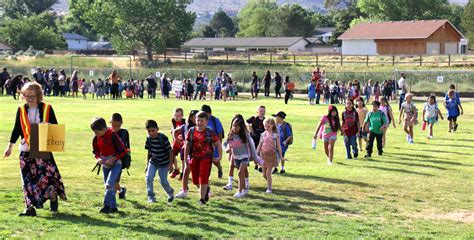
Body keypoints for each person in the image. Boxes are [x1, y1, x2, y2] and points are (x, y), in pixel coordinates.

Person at [4, 82, 67, 216]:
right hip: (25, 148)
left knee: (46, 177)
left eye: (32, 96)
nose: (29, 99)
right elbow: (16, 129)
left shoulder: (47, 108)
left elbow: (55, 127)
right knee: (26, 179)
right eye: (26, 96)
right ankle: (30, 208)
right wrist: (9, 146)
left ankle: (52, 195)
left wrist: (47, 125)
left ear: (38, 95)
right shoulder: (21, 109)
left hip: (42, 148)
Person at [184, 111, 222, 205]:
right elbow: (188, 146)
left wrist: (220, 156)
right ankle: (206, 189)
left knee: (203, 178)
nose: (199, 123)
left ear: (206, 121)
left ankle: (202, 199)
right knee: (195, 180)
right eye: (198, 120)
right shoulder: (192, 131)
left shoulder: (209, 132)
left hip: (206, 158)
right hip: (194, 158)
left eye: (202, 121)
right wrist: (186, 159)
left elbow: (218, 144)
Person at [91, 117, 128, 214]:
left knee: (109, 184)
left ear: (103, 129)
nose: (95, 134)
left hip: (116, 164)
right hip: (105, 165)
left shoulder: (113, 135)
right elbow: (96, 151)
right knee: (108, 186)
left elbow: (123, 150)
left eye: (97, 132)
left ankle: (106, 206)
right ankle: (114, 207)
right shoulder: (96, 138)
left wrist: (113, 159)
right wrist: (98, 158)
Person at [223, 115, 256, 198]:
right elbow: (224, 144)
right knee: (241, 174)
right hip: (236, 157)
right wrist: (227, 149)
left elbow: (252, 145)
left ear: (241, 127)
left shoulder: (245, 135)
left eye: (237, 126)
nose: (234, 127)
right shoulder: (231, 135)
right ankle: (245, 189)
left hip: (245, 157)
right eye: (233, 125)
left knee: (240, 172)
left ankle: (239, 191)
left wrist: (255, 157)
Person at [144, 120, 174, 203]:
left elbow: (170, 151)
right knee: (148, 178)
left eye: (153, 131)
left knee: (163, 180)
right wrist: (147, 165)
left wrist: (171, 165)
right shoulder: (148, 139)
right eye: (149, 131)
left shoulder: (163, 138)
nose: (151, 133)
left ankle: (170, 192)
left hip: (164, 163)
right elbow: (149, 152)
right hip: (153, 162)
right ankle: (151, 197)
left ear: (157, 129)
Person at [175, 110, 199, 198]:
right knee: (186, 170)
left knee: (196, 172)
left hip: (198, 152)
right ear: (191, 118)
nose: (197, 120)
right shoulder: (186, 127)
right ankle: (184, 190)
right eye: (195, 118)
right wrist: (177, 141)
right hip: (188, 152)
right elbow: (175, 131)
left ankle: (205, 189)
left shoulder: (201, 127)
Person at [256, 117, 282, 194]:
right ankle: (269, 183)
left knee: (268, 172)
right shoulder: (263, 135)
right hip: (263, 156)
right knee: (264, 174)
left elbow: (279, 146)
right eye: (265, 126)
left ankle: (269, 188)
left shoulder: (275, 135)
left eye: (268, 126)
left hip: (272, 156)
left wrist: (281, 156)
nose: (267, 128)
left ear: (273, 126)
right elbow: (259, 145)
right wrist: (256, 155)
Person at [110, 113, 130, 199]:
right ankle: (121, 190)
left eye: (118, 126)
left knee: (114, 180)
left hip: (119, 160)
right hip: (108, 160)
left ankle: (111, 200)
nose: (116, 128)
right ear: (110, 122)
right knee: (114, 180)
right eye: (113, 126)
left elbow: (124, 147)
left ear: (121, 123)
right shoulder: (108, 132)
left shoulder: (124, 132)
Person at [201, 105, 224, 179]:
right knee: (206, 161)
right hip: (204, 144)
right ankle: (205, 178)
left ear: (210, 113)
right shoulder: (201, 120)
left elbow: (220, 132)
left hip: (214, 144)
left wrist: (219, 144)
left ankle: (219, 167)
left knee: (214, 160)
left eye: (206, 113)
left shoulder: (215, 120)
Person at [247, 106, 266, 172]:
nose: (262, 112)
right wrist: (250, 128)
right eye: (261, 111)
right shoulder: (253, 118)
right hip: (254, 138)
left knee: (261, 151)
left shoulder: (265, 120)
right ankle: (256, 164)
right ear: (257, 112)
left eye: (263, 111)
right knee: (254, 151)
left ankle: (259, 165)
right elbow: (246, 122)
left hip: (262, 138)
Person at [170, 108, 186, 178]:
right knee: (171, 154)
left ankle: (183, 172)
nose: (176, 117)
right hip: (176, 142)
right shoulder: (173, 121)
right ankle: (176, 169)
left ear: (182, 116)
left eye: (178, 116)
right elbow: (174, 129)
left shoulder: (185, 122)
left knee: (183, 158)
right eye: (175, 115)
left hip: (182, 143)